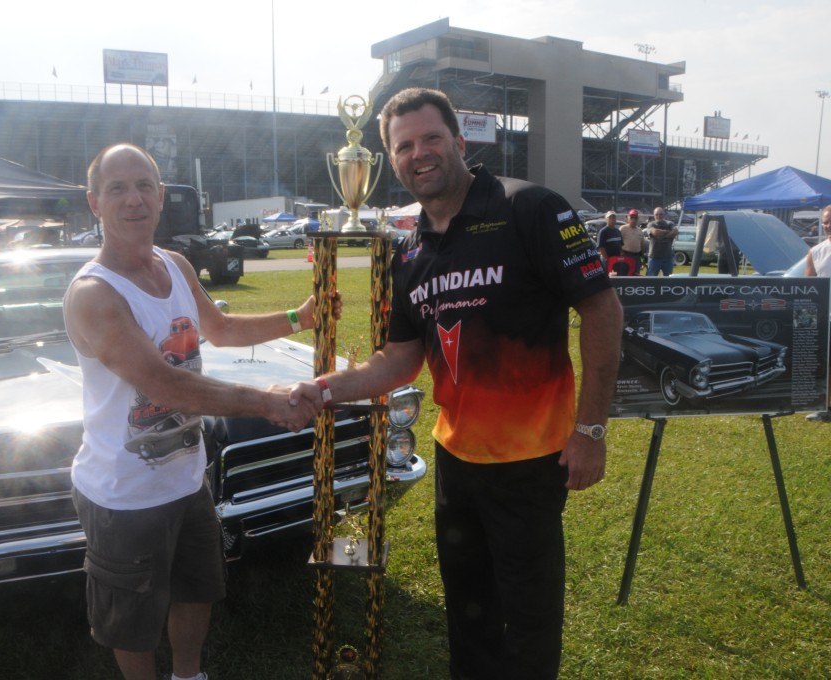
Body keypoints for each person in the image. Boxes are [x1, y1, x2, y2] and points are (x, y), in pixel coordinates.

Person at [290, 88, 623, 680]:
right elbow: (397, 363)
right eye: (404, 146)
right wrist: (325, 387)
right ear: (391, 160)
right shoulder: (410, 252)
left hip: (531, 459)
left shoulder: (531, 209)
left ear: (460, 142)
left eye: (431, 139)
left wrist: (591, 430)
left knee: (528, 620)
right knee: (467, 615)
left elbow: (602, 311)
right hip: (456, 460)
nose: (419, 153)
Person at [63, 143, 336, 680]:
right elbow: (168, 385)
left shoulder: (176, 264)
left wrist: (298, 317)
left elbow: (223, 329)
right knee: (131, 618)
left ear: (162, 196)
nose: (133, 199)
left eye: (144, 185)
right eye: (116, 189)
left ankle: (188, 676)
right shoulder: (94, 294)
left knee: (196, 589)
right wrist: (267, 403)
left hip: (188, 480)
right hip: (123, 491)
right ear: (94, 202)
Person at [803, 204, 831, 422]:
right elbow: (807, 288)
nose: (826, 225)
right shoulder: (816, 251)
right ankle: (827, 408)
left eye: (830, 221)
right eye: (824, 221)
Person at [645, 207, 678, 276]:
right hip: (654, 257)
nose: (658, 216)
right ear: (654, 215)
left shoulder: (670, 223)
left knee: (668, 280)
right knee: (650, 280)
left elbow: (675, 232)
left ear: (664, 215)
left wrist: (662, 235)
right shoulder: (651, 224)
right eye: (656, 214)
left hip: (668, 257)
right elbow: (655, 232)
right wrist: (669, 233)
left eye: (661, 214)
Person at [619, 210, 645, 275]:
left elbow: (641, 245)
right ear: (628, 218)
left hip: (637, 257)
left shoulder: (640, 230)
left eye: (635, 218)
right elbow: (618, 242)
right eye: (631, 217)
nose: (633, 220)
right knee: (624, 274)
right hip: (625, 255)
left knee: (636, 275)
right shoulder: (623, 228)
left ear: (637, 219)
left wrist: (643, 257)